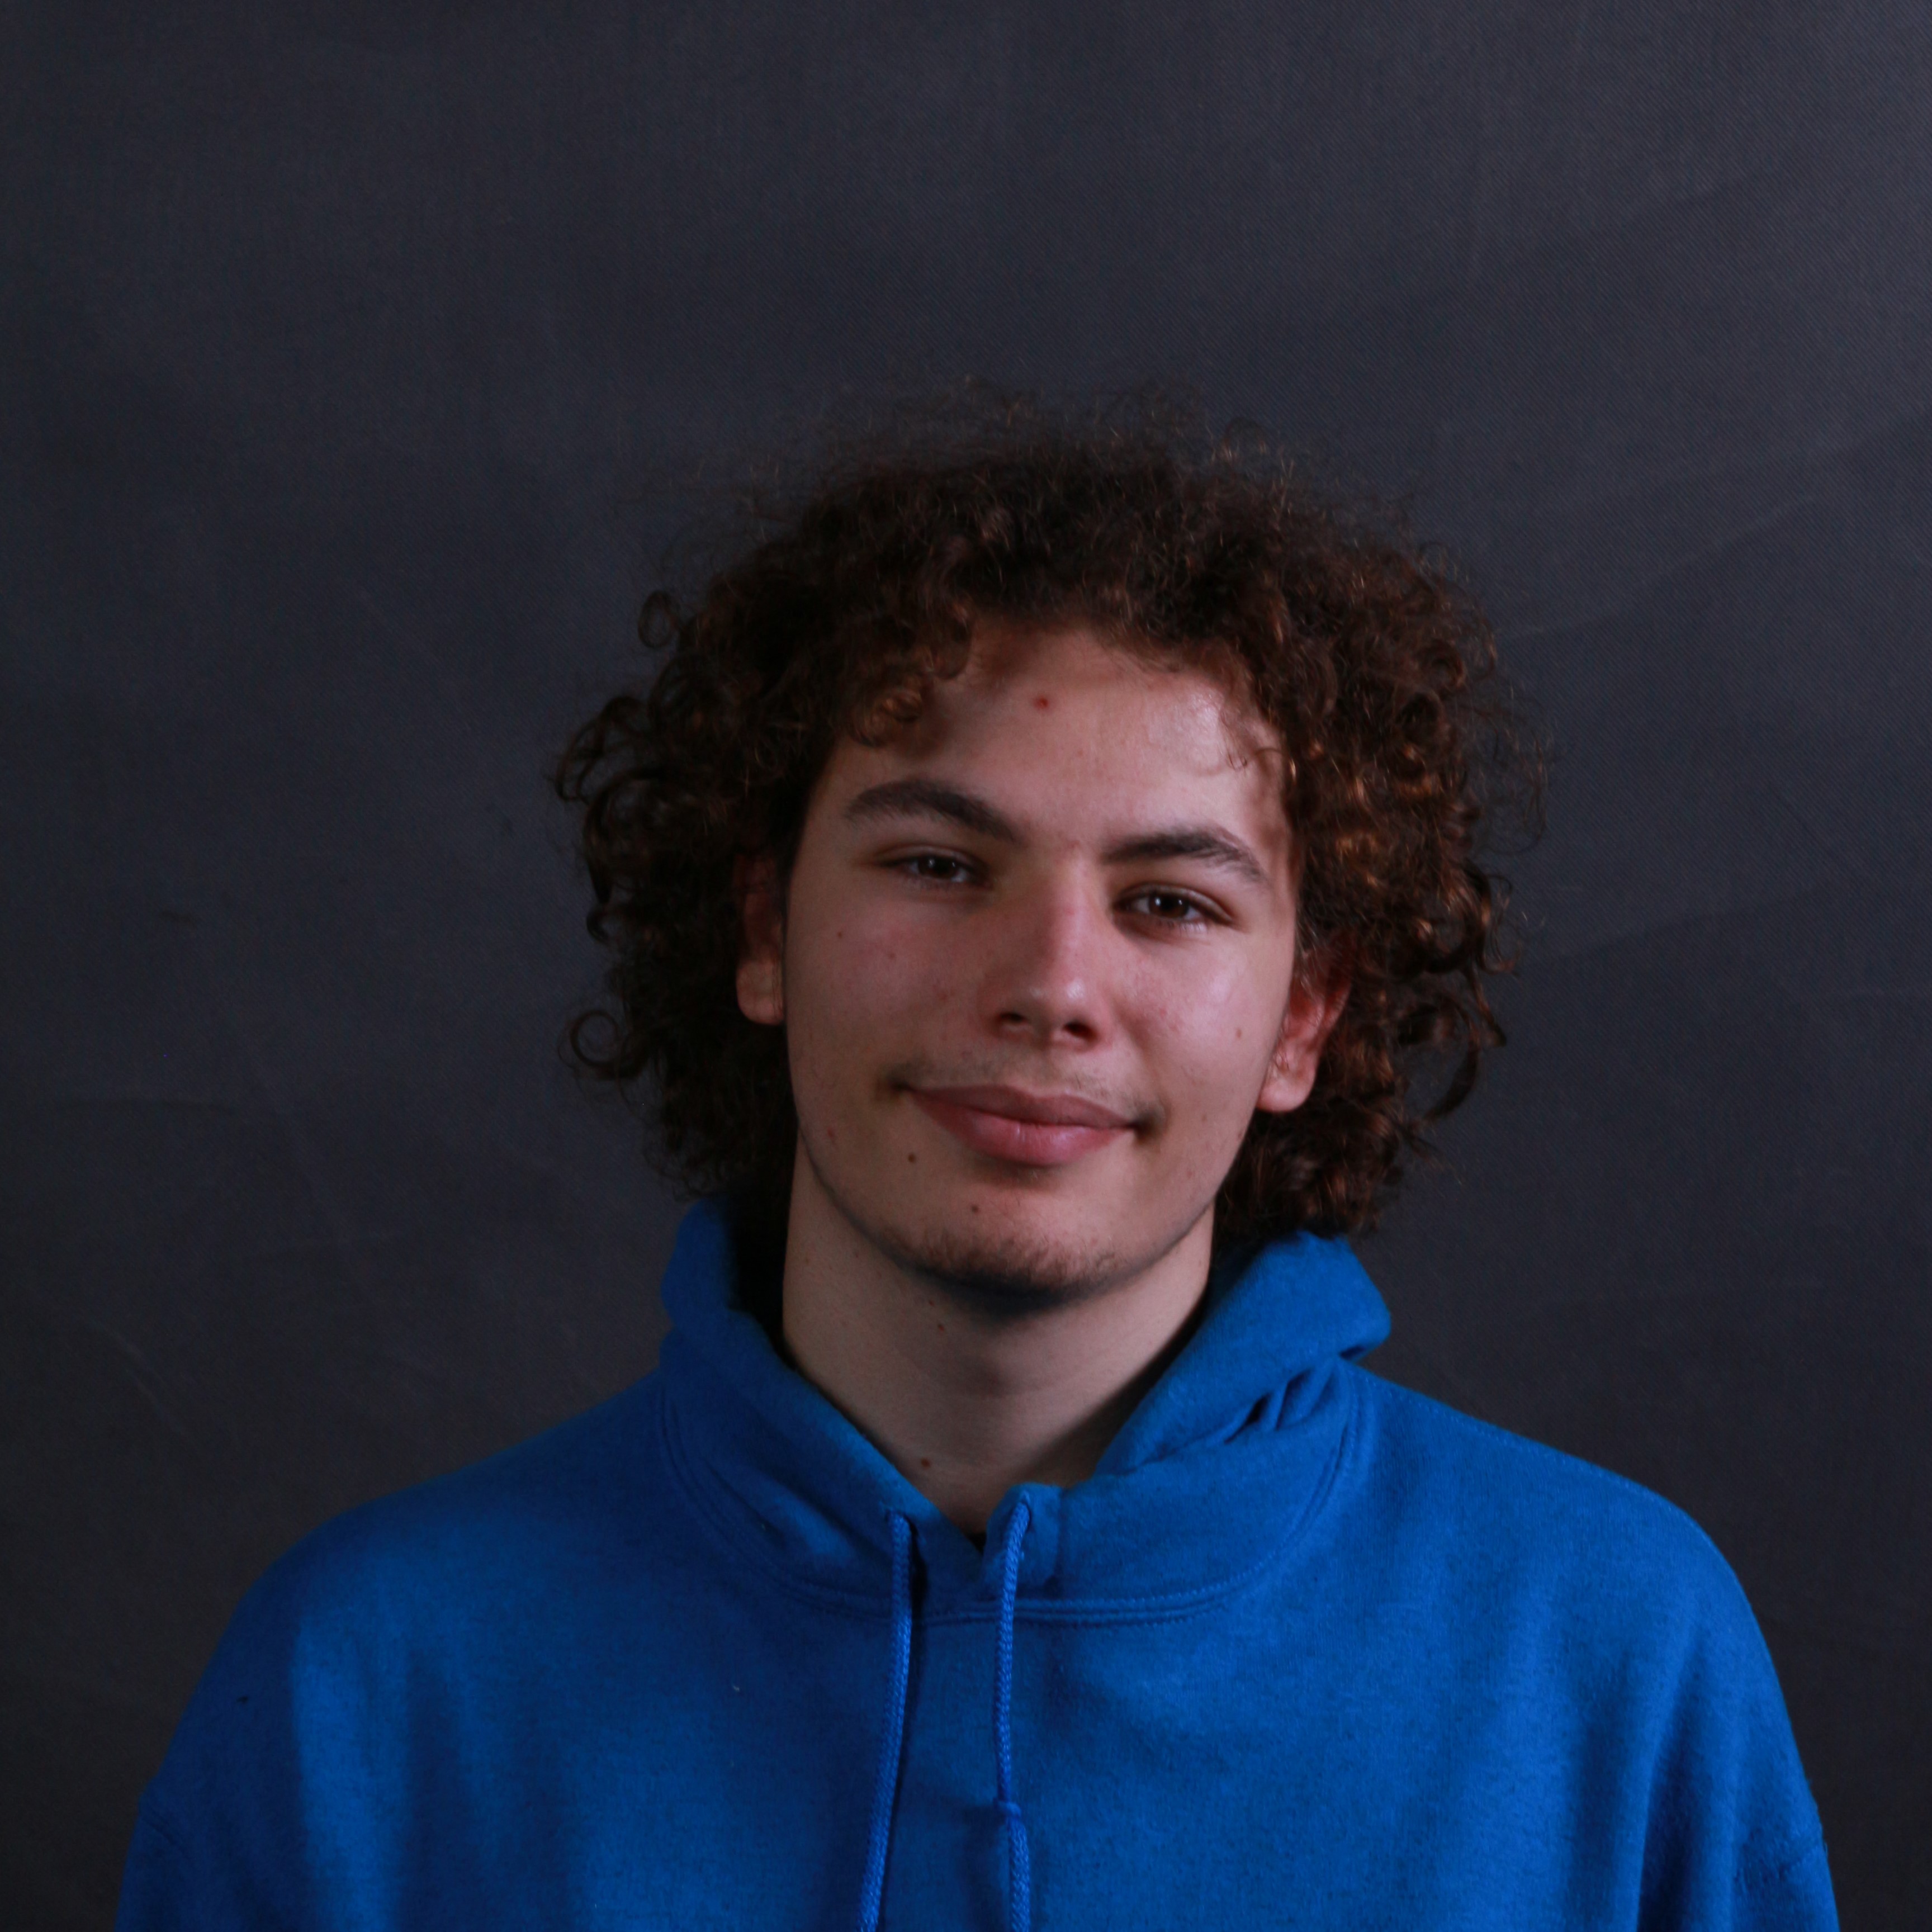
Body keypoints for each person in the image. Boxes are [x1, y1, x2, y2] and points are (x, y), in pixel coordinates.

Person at [117, 410, 1836, 1930]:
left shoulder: (1612, 1655)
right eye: (940, 864)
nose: (1051, 986)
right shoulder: (367, 1689)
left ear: (1305, 1015)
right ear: (762, 926)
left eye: (1170, 901)